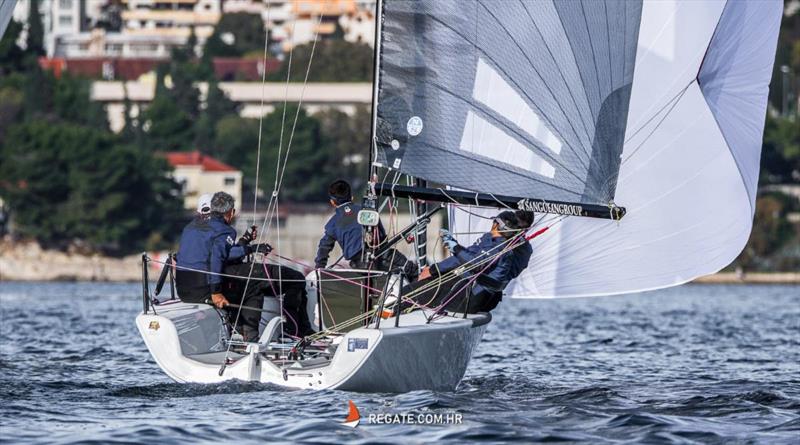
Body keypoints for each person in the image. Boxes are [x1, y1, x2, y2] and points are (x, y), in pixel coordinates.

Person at [175, 192, 314, 341]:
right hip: (207, 287)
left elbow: (220, 253)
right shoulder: (224, 229)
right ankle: (293, 331)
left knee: (250, 283)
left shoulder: (191, 227)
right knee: (294, 279)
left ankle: (242, 332)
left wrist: (247, 243)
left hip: (184, 289)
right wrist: (216, 292)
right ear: (231, 212)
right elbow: (217, 258)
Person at [399, 210, 534, 314]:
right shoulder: (523, 249)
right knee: (424, 286)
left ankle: (389, 312)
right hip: (485, 298)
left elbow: (474, 262)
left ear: (498, 225)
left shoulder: (500, 246)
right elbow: (472, 259)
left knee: (409, 292)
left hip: (468, 295)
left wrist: (439, 264)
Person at [314, 179, 386, 269]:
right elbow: (382, 236)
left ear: (332, 202)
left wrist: (319, 267)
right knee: (409, 269)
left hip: (361, 265)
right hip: (385, 257)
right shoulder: (367, 211)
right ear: (352, 197)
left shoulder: (333, 223)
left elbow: (324, 247)